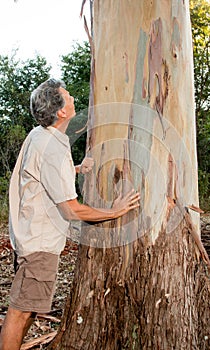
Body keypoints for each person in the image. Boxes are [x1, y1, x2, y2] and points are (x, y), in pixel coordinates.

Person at [0, 78, 140, 350]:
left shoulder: (39, 136)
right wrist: (116, 211)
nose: (73, 98)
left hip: (29, 238)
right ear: (61, 111)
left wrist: (74, 169)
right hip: (38, 245)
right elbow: (71, 209)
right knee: (20, 311)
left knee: (29, 308)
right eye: (68, 96)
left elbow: (40, 175)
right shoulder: (51, 146)